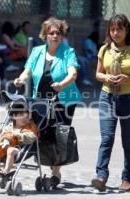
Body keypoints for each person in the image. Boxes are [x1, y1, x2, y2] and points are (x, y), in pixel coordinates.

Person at [13, 17, 82, 188]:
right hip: (41, 100)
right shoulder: (37, 51)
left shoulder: (68, 52)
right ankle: (18, 159)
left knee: (59, 135)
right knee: (38, 132)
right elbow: (27, 71)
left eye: (58, 32)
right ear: (45, 35)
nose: (55, 36)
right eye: (51, 33)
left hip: (64, 99)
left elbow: (73, 74)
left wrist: (62, 85)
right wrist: (20, 80)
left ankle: (56, 173)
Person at [91, 14, 130, 192]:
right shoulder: (104, 49)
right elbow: (98, 74)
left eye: (119, 29)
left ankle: (127, 179)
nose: (115, 33)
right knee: (107, 137)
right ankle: (101, 176)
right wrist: (107, 77)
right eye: (112, 29)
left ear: (127, 30)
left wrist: (129, 78)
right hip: (107, 97)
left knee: (127, 140)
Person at [0, 102, 37, 175]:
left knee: (10, 150)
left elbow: (33, 137)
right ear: (14, 116)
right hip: (5, 147)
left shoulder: (29, 127)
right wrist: (1, 135)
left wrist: (20, 135)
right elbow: (3, 135)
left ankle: (6, 171)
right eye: (21, 116)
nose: (24, 119)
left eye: (27, 117)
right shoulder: (9, 126)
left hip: (19, 149)